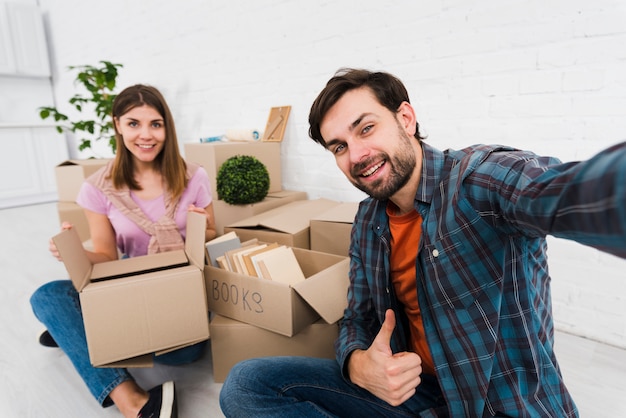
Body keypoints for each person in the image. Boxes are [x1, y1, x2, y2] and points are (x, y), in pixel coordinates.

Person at [219, 68, 626, 417]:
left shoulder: (480, 180)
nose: (357, 154)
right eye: (339, 147)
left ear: (406, 118)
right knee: (246, 384)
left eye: (366, 128)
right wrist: (358, 364)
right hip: (420, 397)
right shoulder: (368, 220)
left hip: (499, 404)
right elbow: (357, 318)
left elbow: (561, 191)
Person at [31, 84, 217, 418]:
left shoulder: (194, 177)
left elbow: (215, 235)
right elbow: (106, 257)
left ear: (166, 127)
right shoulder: (98, 188)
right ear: (117, 124)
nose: (146, 135)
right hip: (129, 288)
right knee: (46, 297)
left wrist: (202, 228)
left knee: (182, 354)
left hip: (181, 292)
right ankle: (134, 403)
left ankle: (73, 329)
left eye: (155, 124)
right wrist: (72, 251)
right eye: (134, 123)